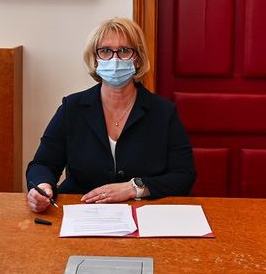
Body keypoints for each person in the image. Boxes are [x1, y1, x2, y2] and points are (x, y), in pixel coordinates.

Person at [26, 17, 195, 212]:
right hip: (83, 210)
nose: (115, 59)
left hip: (144, 213)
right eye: (105, 51)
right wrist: (42, 187)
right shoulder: (72, 108)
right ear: (95, 58)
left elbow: (184, 175)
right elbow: (42, 164)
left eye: (124, 51)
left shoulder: (163, 112)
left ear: (138, 58)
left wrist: (134, 188)